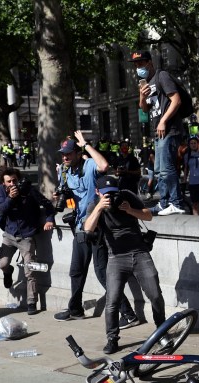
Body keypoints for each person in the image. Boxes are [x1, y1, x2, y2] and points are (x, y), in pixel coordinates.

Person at [52, 132, 140, 328]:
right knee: (76, 271)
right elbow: (67, 196)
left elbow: (104, 166)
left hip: (97, 226)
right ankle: (75, 309)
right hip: (80, 226)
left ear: (77, 152)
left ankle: (129, 314)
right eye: (63, 154)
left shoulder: (89, 165)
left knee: (102, 272)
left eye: (68, 153)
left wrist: (86, 144)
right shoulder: (65, 172)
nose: (65, 157)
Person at [83, 175, 165, 355]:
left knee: (155, 295)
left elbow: (148, 216)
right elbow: (87, 229)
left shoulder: (126, 196)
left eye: (113, 193)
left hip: (140, 253)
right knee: (112, 301)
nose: (111, 197)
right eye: (106, 194)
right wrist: (99, 208)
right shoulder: (94, 206)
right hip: (116, 257)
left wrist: (130, 210)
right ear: (98, 192)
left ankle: (161, 331)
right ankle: (112, 339)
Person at [132, 50, 185, 216]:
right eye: (136, 65)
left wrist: (163, 121)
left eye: (141, 63)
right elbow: (145, 109)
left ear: (149, 63)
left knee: (167, 167)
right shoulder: (146, 82)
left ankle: (176, 202)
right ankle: (164, 203)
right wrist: (141, 96)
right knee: (159, 170)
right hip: (158, 132)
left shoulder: (162, 76)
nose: (138, 67)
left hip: (169, 129)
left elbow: (176, 100)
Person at [0, 167, 56, 315]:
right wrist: (10, 198)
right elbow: (1, 210)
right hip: (9, 234)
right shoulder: (1, 191)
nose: (12, 184)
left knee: (30, 271)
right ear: (4, 184)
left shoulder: (29, 190)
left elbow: (48, 205)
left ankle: (31, 302)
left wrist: (49, 220)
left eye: (14, 180)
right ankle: (8, 271)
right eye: (8, 182)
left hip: (26, 236)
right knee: (2, 263)